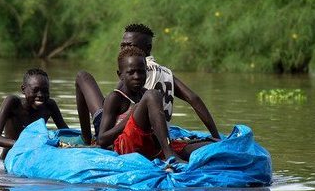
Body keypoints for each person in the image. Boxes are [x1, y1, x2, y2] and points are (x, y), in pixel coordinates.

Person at [75, 23, 221, 145]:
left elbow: (114, 103)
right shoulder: (166, 72)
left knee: (82, 76)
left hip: (125, 129)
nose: (125, 50)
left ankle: (87, 140)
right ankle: (88, 138)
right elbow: (194, 99)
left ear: (147, 49)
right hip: (150, 129)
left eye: (130, 45)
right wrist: (216, 135)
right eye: (123, 45)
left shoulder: (133, 69)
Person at [98, 46, 209, 163]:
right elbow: (102, 140)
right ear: (120, 75)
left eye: (141, 72)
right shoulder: (115, 98)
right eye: (131, 72)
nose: (137, 77)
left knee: (206, 146)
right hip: (126, 147)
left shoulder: (145, 94)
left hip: (150, 147)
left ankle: (168, 151)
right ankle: (170, 155)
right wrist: (129, 118)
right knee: (153, 94)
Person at [0, 68, 68, 159]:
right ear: (23, 89)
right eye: (35, 90)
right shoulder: (13, 103)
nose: (41, 95)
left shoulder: (50, 105)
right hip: (10, 160)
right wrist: (26, 145)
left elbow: (66, 133)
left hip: (33, 159)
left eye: (45, 91)